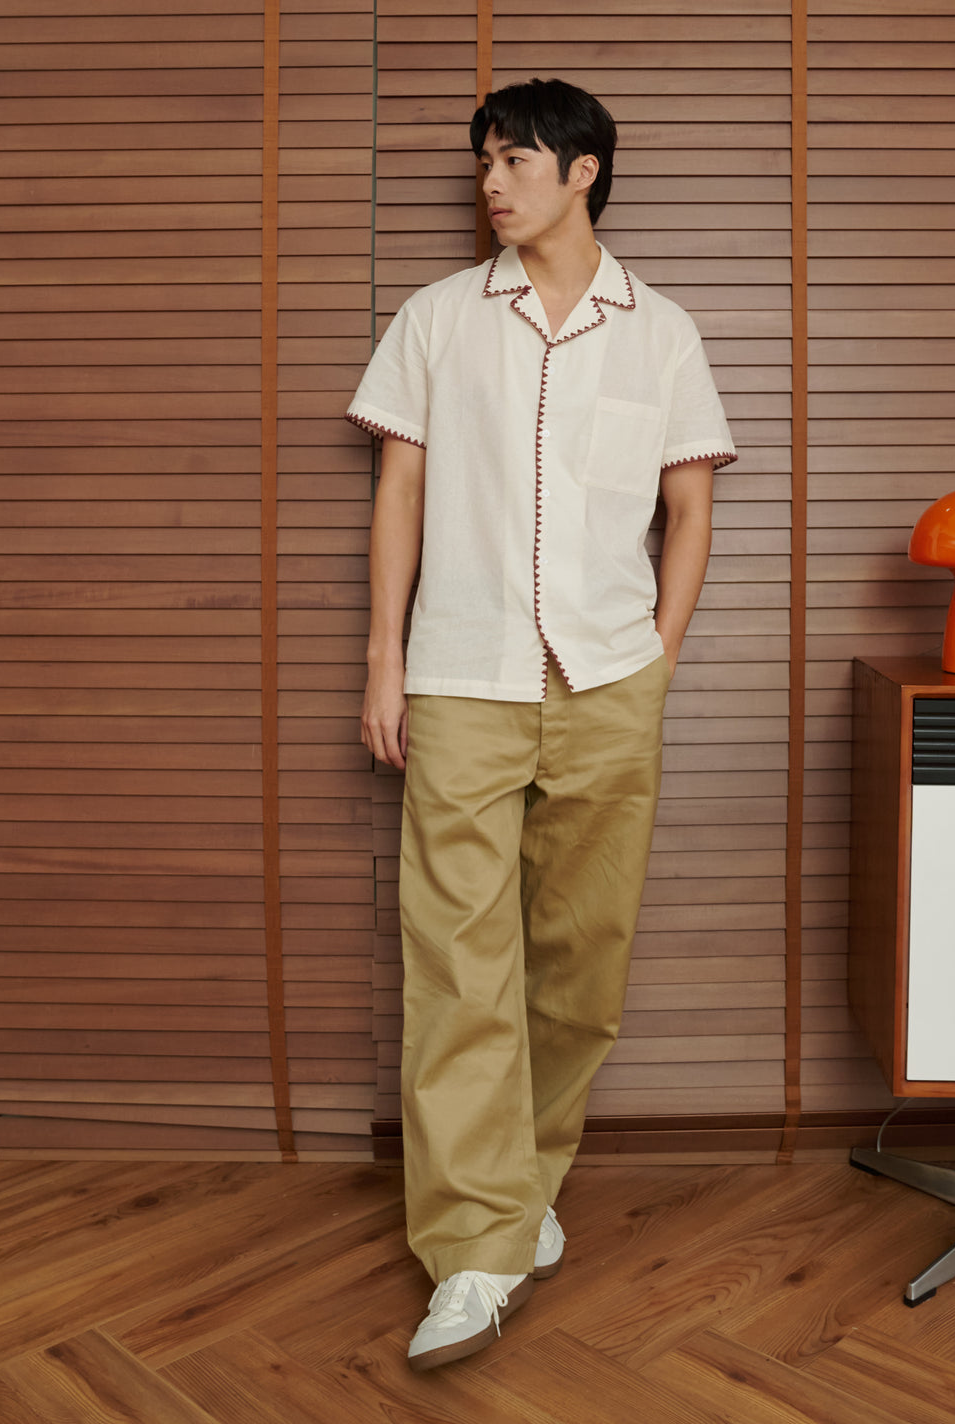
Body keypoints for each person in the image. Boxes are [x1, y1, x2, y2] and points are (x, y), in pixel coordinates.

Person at [346, 77, 735, 1371]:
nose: (491, 183)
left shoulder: (662, 332)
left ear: (584, 173)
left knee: (581, 969)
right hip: (462, 676)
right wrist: (385, 660)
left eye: (514, 160)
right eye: (483, 162)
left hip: (610, 681)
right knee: (460, 968)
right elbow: (400, 488)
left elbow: (690, 508)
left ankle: (524, 1186)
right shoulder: (436, 320)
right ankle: (474, 1248)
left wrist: (657, 661)